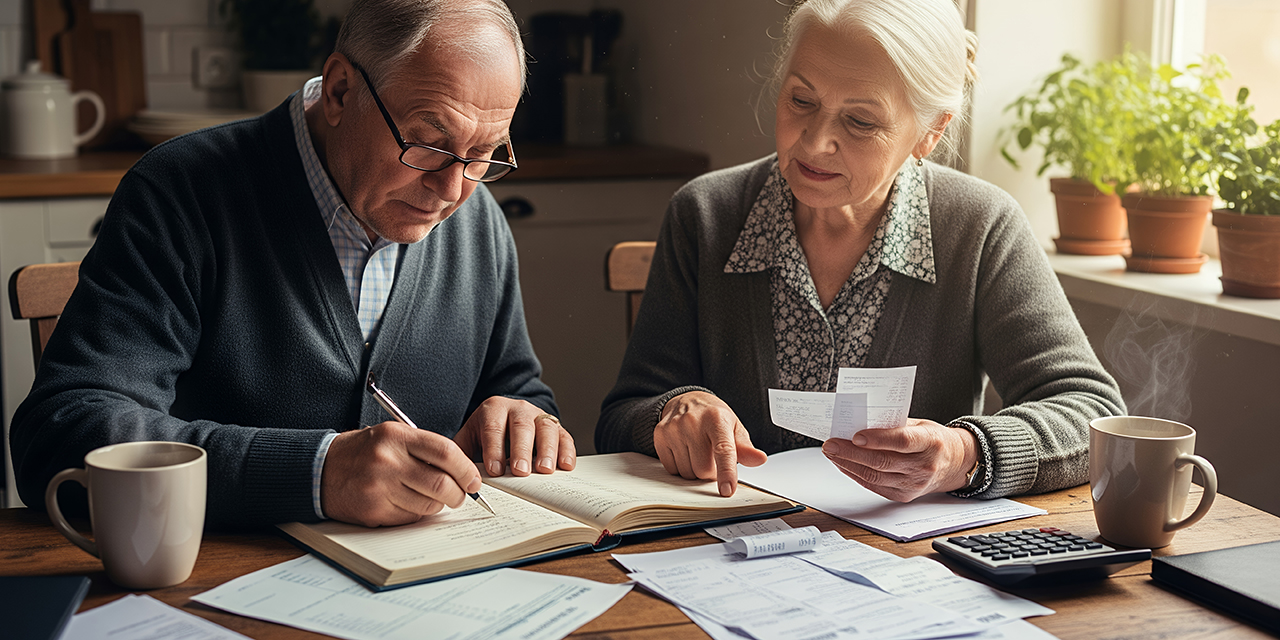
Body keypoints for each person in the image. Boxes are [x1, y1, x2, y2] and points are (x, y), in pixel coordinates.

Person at [11, 0, 575, 530]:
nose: (453, 190)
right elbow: (63, 436)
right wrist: (315, 473)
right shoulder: (182, 192)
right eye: (429, 142)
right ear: (339, 91)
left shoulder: (480, 225)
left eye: (484, 154)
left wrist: (521, 423)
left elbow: (519, 392)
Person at [596, 0, 1124, 503]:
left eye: (860, 121)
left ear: (929, 133)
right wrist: (671, 411)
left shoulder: (979, 226)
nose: (815, 142)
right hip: (730, 553)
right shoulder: (706, 215)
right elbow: (622, 416)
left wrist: (964, 454)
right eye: (801, 101)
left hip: (907, 564)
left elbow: (1091, 413)